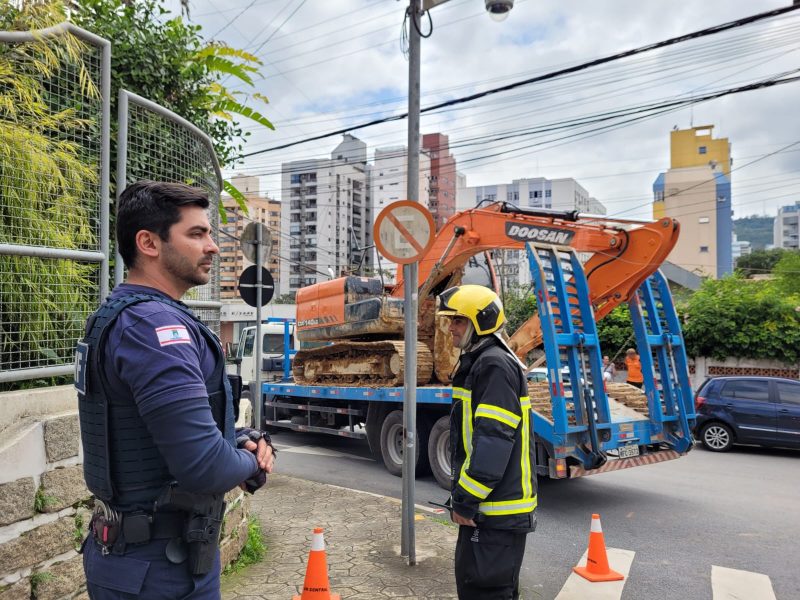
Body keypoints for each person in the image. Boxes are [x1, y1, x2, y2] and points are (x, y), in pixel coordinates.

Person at [75, 181, 275, 599]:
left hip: (140, 560)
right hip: (160, 570)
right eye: (197, 234)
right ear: (148, 242)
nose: (214, 247)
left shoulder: (125, 317)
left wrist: (235, 442)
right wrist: (250, 461)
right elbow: (205, 468)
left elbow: (156, 433)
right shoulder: (154, 329)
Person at [438, 284, 537, 600]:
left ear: (480, 323)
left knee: (486, 592)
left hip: (495, 513)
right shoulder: (484, 361)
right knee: (478, 587)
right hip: (491, 511)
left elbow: (493, 440)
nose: (451, 328)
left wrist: (465, 499)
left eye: (458, 321)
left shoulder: (492, 365)